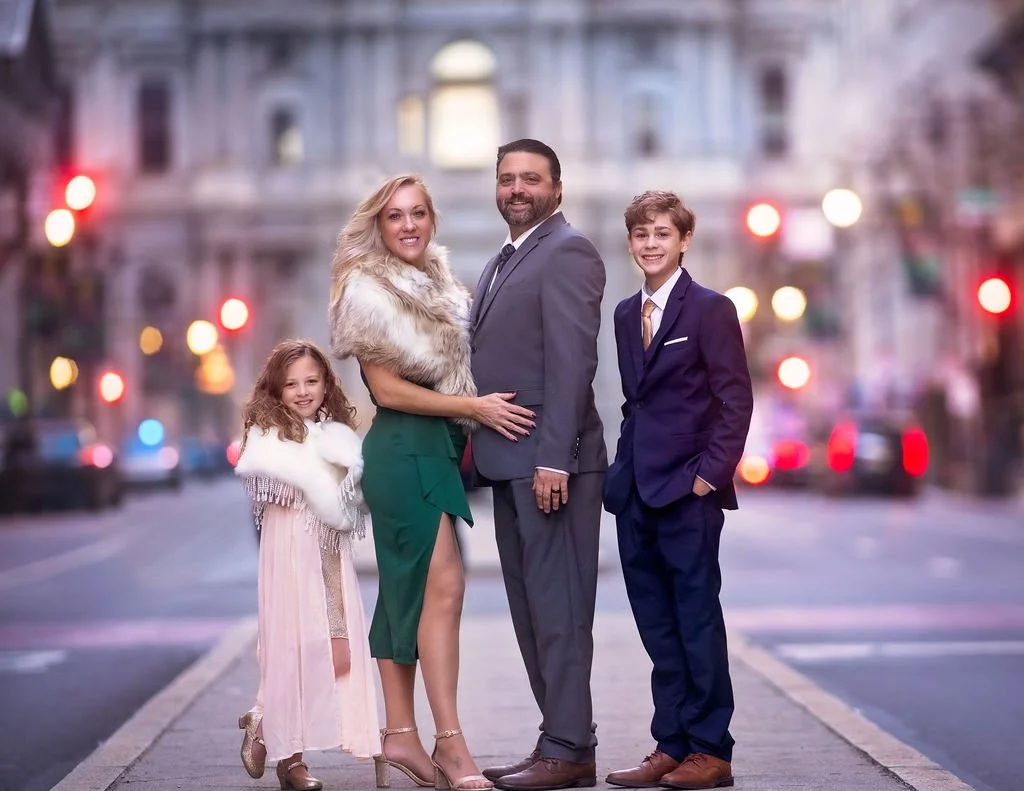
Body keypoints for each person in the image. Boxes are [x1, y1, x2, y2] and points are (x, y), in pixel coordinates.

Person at [328, 174, 534, 791]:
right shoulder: (368, 290)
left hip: (433, 453)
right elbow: (387, 390)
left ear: (433, 220)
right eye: (395, 217)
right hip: (402, 449)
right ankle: (448, 743)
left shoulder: (440, 285)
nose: (409, 225)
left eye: (419, 214)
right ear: (379, 226)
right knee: (440, 590)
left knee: (415, 595)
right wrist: (475, 410)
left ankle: (402, 736)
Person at [469, 139, 608, 791]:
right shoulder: (504, 260)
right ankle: (558, 736)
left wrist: (556, 457)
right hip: (510, 464)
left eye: (530, 178)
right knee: (530, 610)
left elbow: (573, 362)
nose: (516, 189)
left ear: (557, 186)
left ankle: (570, 747)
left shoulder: (568, 250)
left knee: (559, 610)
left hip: (552, 466)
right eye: (506, 179)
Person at [603, 191, 753, 790]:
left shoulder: (710, 310)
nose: (650, 243)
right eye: (641, 233)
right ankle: (671, 744)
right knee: (655, 624)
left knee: (696, 620)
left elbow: (735, 400)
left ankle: (711, 750)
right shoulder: (622, 314)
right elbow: (635, 401)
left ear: (683, 240)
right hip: (636, 492)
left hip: (688, 493)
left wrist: (706, 476)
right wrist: (622, 472)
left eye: (662, 233)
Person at [234, 339, 380, 791]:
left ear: (326, 384)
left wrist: (344, 480)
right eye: (291, 383)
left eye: (311, 381)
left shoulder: (337, 437)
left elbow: (353, 506)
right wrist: (314, 478)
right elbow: (271, 484)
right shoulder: (267, 437)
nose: (302, 391)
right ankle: (289, 758)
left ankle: (264, 720)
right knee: (291, 648)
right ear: (275, 389)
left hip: (330, 558)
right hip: (287, 558)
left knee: (337, 653)